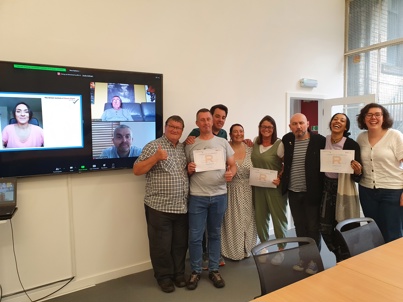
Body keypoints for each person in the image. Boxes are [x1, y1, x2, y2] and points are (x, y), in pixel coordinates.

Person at [133, 115, 189, 293]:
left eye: (178, 128)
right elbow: (137, 170)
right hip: (159, 207)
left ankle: (178, 274)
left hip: (181, 206)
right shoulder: (153, 146)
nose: (174, 130)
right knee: (161, 246)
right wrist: (156, 157)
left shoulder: (183, 148)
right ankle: (164, 277)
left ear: (182, 131)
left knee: (180, 244)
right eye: (171, 126)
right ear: (165, 127)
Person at [185, 108, 236, 290]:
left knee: (215, 234)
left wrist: (231, 173)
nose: (206, 123)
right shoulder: (190, 144)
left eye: (208, 119)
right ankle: (196, 271)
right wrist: (189, 168)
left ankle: (214, 269)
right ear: (197, 123)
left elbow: (232, 165)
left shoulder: (222, 142)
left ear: (211, 122)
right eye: (202, 120)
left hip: (219, 195)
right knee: (195, 236)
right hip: (197, 196)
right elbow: (185, 169)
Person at [282, 113, 325, 275]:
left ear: (308, 123)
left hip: (312, 192)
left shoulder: (319, 141)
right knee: (299, 227)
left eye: (301, 123)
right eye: (294, 124)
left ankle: (314, 260)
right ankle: (303, 258)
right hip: (294, 192)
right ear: (290, 126)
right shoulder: (287, 140)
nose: (298, 126)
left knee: (313, 228)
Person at [356, 103, 403, 243]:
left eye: (377, 114)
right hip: (367, 191)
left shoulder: (395, 135)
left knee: (393, 233)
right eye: (369, 115)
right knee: (374, 232)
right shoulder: (361, 138)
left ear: (384, 118)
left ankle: (395, 264)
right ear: (364, 119)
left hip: (392, 192)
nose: (373, 118)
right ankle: (378, 263)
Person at [319, 113, 362, 262]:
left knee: (344, 226)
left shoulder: (351, 144)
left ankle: (345, 258)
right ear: (331, 123)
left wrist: (357, 171)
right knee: (324, 228)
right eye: (335, 119)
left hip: (343, 189)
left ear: (346, 126)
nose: (338, 122)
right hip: (326, 188)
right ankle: (337, 252)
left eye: (342, 120)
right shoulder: (322, 141)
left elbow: (359, 176)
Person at [251, 116, 288, 264]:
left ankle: (281, 250)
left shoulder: (279, 145)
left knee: (278, 218)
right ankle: (264, 247)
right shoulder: (255, 142)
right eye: (263, 127)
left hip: (274, 188)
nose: (266, 130)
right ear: (260, 128)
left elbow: (287, 164)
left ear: (274, 129)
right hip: (258, 187)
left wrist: (280, 177)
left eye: (270, 127)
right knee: (260, 218)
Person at [221, 124, 257, 260]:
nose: (238, 134)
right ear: (230, 134)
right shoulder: (225, 148)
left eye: (241, 131)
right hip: (231, 190)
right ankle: (233, 251)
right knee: (232, 220)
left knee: (248, 219)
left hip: (248, 190)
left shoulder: (250, 148)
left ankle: (248, 248)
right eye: (235, 131)